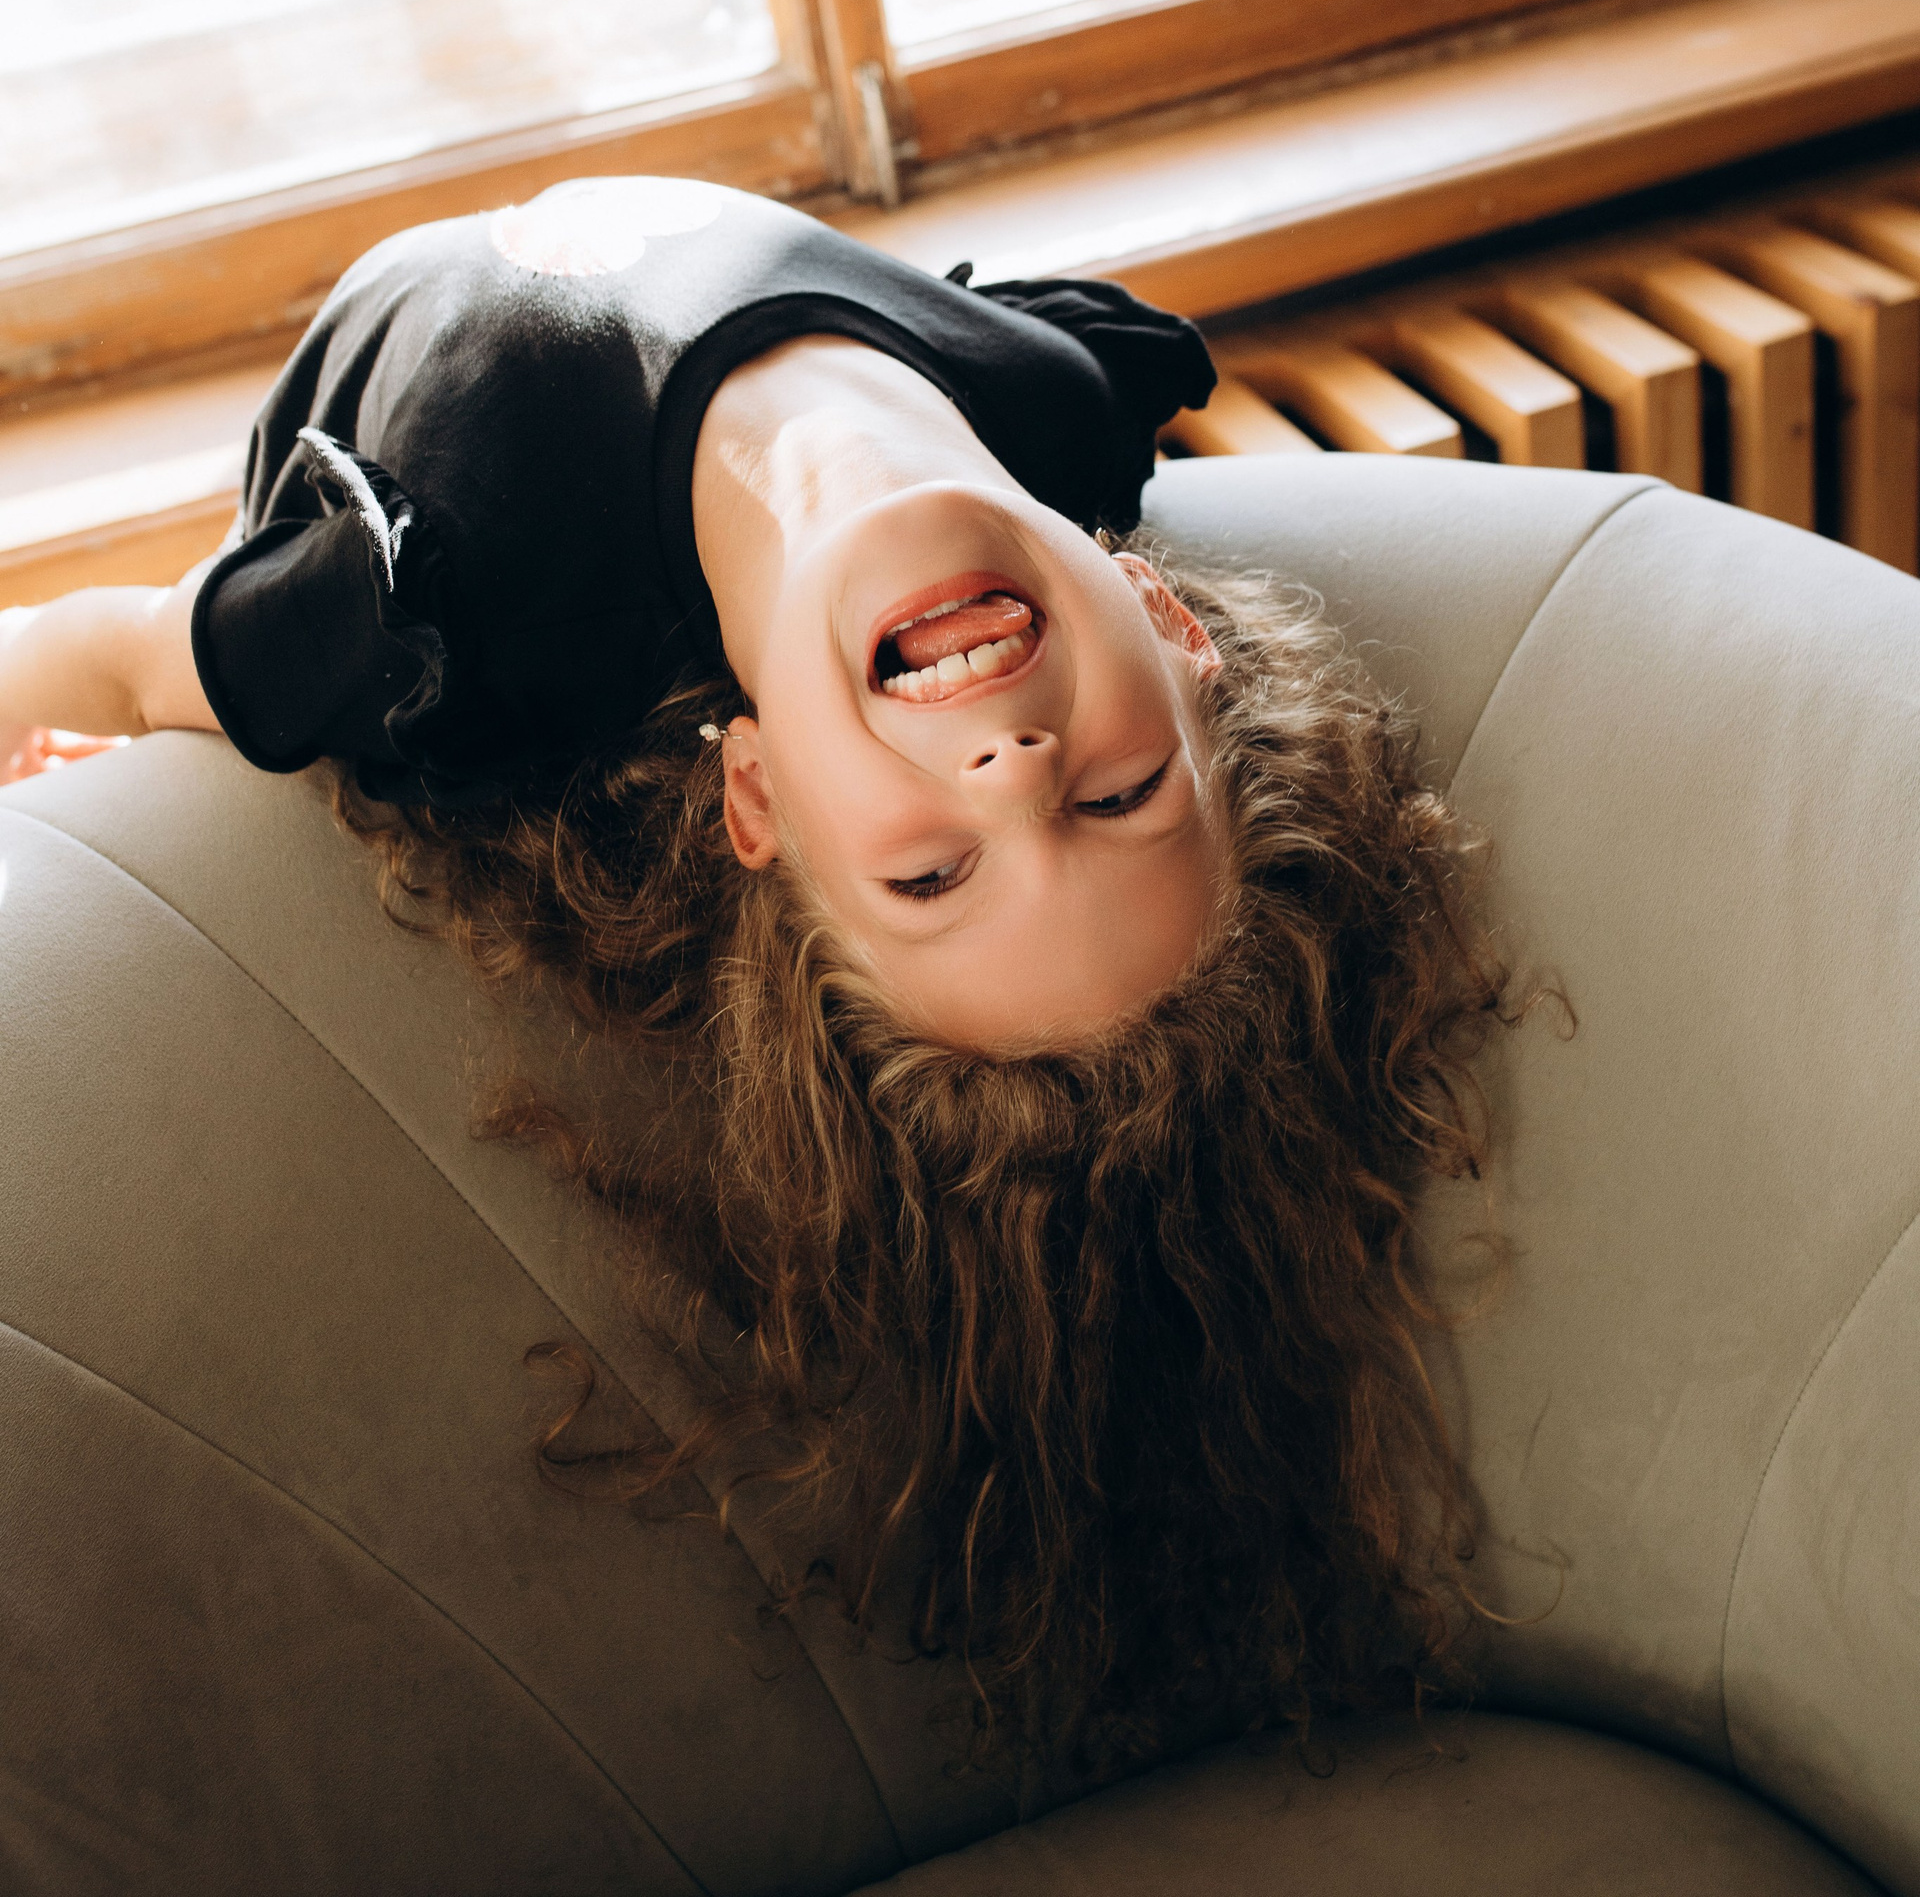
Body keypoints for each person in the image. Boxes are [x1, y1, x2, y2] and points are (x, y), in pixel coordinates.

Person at [0, 173, 1518, 1768]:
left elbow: (94, 654)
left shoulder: (424, 624)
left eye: (931, 876)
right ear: (1164, 617)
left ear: (762, 799)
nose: (1013, 773)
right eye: (1122, 798)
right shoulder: (1066, 401)